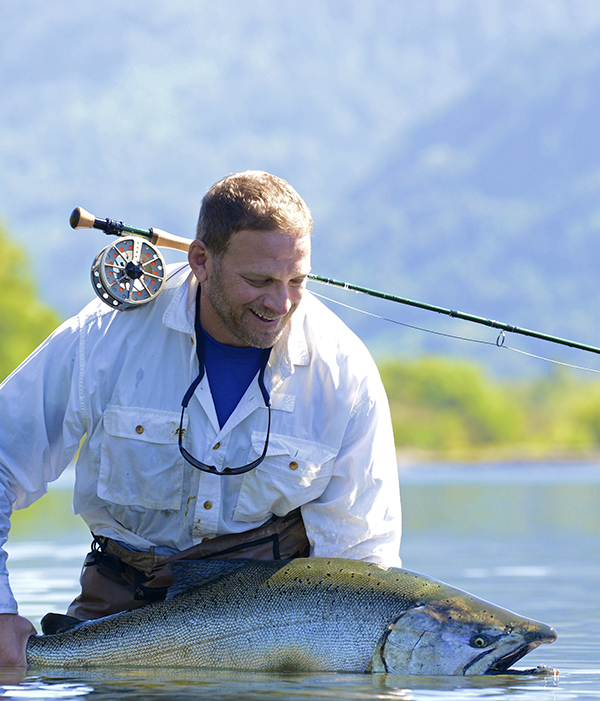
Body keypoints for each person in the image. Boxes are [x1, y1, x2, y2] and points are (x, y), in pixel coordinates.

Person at [0, 171, 401, 666]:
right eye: (258, 281)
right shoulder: (103, 339)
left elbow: (361, 558)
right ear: (200, 261)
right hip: (117, 611)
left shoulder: (345, 372)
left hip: (269, 627)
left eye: (296, 280)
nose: (280, 304)